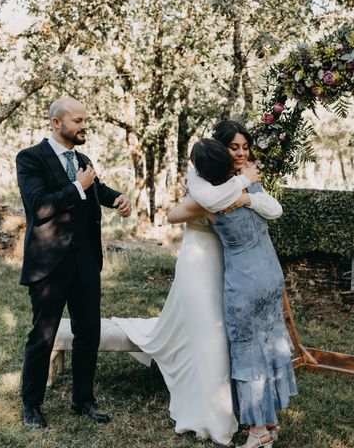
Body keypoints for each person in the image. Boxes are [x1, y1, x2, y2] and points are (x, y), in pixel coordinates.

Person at [113, 121, 280, 445]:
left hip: (232, 262)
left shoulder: (238, 180)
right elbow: (178, 213)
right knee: (211, 335)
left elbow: (266, 207)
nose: (241, 154)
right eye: (234, 148)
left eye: (245, 148)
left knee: (226, 333)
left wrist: (245, 189)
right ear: (220, 150)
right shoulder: (204, 180)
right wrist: (240, 185)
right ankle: (215, 414)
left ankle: (243, 411)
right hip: (200, 258)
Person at [169, 138, 297, 448]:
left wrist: (193, 187)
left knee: (248, 353)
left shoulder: (207, 201)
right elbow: (273, 208)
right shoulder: (250, 187)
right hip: (272, 272)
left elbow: (173, 216)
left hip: (245, 280)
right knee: (270, 345)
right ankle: (271, 420)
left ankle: (258, 432)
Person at [16, 97, 132, 428]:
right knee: (43, 335)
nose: (84, 126)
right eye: (78, 120)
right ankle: (32, 405)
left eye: (85, 120)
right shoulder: (30, 158)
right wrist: (76, 186)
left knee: (88, 332)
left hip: (85, 262)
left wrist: (117, 199)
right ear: (56, 122)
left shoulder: (82, 159)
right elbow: (38, 207)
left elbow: (97, 190)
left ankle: (83, 400)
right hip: (49, 265)